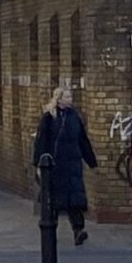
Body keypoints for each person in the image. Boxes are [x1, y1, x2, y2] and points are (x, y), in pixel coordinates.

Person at [33, 86, 99, 245]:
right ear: (59, 99)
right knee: (54, 200)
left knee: (74, 199)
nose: (70, 99)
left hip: (72, 164)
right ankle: (50, 232)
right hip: (55, 165)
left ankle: (78, 230)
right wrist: (39, 163)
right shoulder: (48, 118)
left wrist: (91, 161)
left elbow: (82, 139)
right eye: (67, 97)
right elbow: (41, 142)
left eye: (71, 96)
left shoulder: (74, 116)